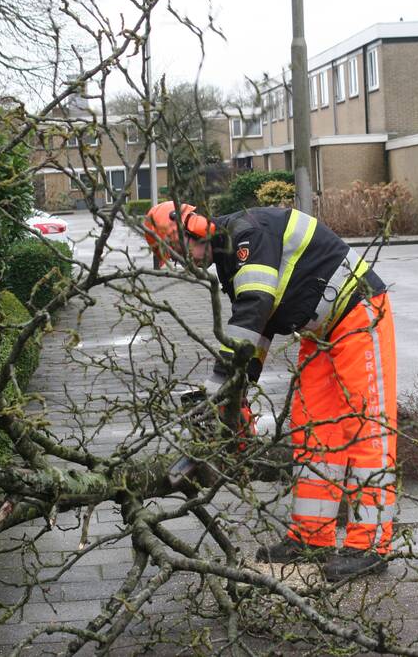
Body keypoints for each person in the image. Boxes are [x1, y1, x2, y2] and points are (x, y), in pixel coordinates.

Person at [143, 201, 397, 581]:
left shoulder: (248, 234)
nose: (182, 263)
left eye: (178, 252)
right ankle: (313, 537)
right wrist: (237, 392)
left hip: (359, 315)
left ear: (192, 229)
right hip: (319, 332)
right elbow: (258, 329)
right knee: (313, 430)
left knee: (366, 430)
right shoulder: (230, 261)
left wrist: (217, 383)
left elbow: (254, 306)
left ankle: (371, 546)